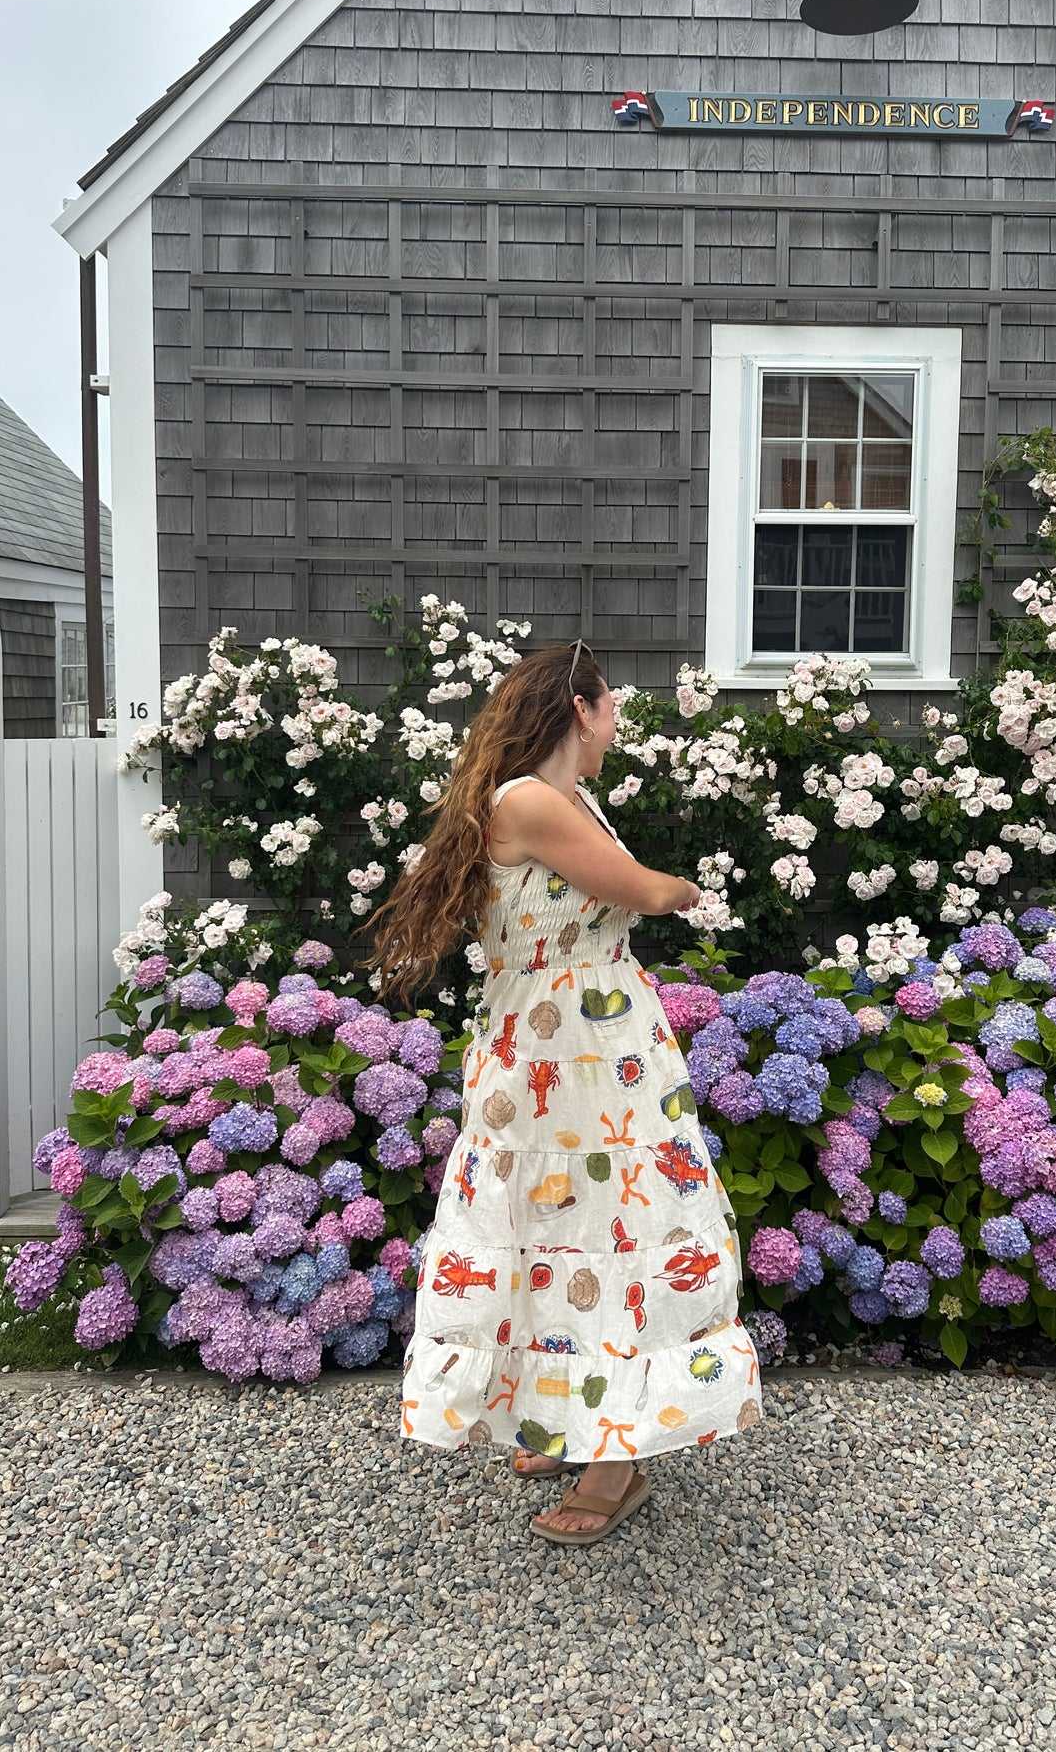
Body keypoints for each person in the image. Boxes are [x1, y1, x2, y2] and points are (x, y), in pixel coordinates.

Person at [370, 638, 763, 1544]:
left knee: (580, 1232)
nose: (617, 725)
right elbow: (641, 890)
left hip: (580, 1055)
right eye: (612, 707)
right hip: (569, 1058)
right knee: (580, 1233)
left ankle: (597, 1436)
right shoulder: (530, 801)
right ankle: (596, 1442)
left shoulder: (560, 798)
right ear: (579, 709)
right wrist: (683, 887)